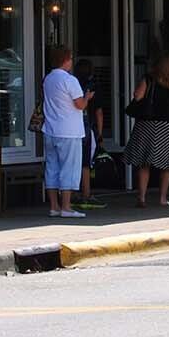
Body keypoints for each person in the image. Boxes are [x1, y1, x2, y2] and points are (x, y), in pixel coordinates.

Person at [41, 46, 94, 219]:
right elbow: (79, 105)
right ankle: (66, 207)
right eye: (70, 58)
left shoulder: (48, 78)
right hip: (69, 131)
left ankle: (54, 206)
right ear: (65, 60)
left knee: (52, 167)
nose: (72, 61)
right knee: (68, 169)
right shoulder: (70, 80)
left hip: (50, 129)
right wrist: (87, 98)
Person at [123, 53, 169, 208]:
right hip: (167, 126)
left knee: (144, 162)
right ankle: (162, 198)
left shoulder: (149, 79)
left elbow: (137, 96)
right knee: (166, 164)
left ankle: (141, 197)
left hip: (147, 124)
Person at [73, 59, 107, 211]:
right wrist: (100, 134)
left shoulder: (72, 85)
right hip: (88, 128)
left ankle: (72, 194)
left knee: (73, 161)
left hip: (71, 128)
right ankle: (86, 194)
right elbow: (99, 112)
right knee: (86, 162)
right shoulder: (93, 88)